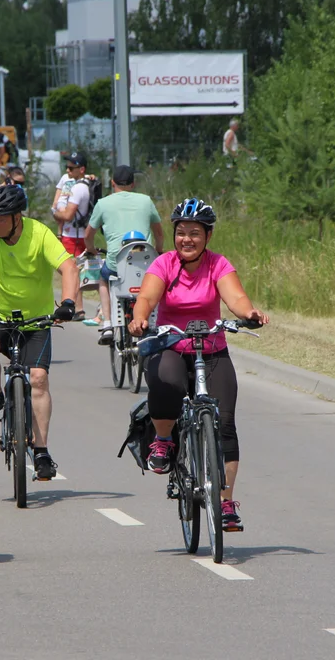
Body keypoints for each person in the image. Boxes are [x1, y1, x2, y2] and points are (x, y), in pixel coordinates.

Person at [128, 198, 268, 533]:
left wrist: (248, 314)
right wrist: (140, 317)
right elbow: (147, 297)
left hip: (212, 347)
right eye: (181, 232)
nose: (186, 239)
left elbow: (235, 297)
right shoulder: (163, 263)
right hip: (172, 343)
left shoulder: (218, 265)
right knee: (168, 383)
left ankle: (226, 502)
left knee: (226, 424)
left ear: (208, 236)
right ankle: (163, 440)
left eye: (194, 233)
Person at [0, 184, 80, 480]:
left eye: (0, 217)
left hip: (35, 319)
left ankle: (41, 452)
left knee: (38, 379)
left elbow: (69, 268)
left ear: (17, 217)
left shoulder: (38, 233)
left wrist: (67, 303)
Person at [84, 165, 164, 344]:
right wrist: (158, 251)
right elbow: (159, 233)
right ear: (133, 184)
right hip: (145, 262)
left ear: (112, 183)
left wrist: (90, 249)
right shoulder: (146, 200)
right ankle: (155, 323)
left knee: (104, 279)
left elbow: (88, 234)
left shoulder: (103, 203)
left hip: (116, 263)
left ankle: (107, 323)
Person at [52, 151, 86, 238]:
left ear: (81, 169)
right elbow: (59, 190)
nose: (67, 170)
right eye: (66, 167)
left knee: (66, 214)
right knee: (62, 210)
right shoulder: (65, 177)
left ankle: (61, 232)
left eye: (71, 168)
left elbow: (88, 177)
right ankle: (60, 232)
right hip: (63, 201)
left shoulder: (82, 183)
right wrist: (55, 204)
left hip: (71, 204)